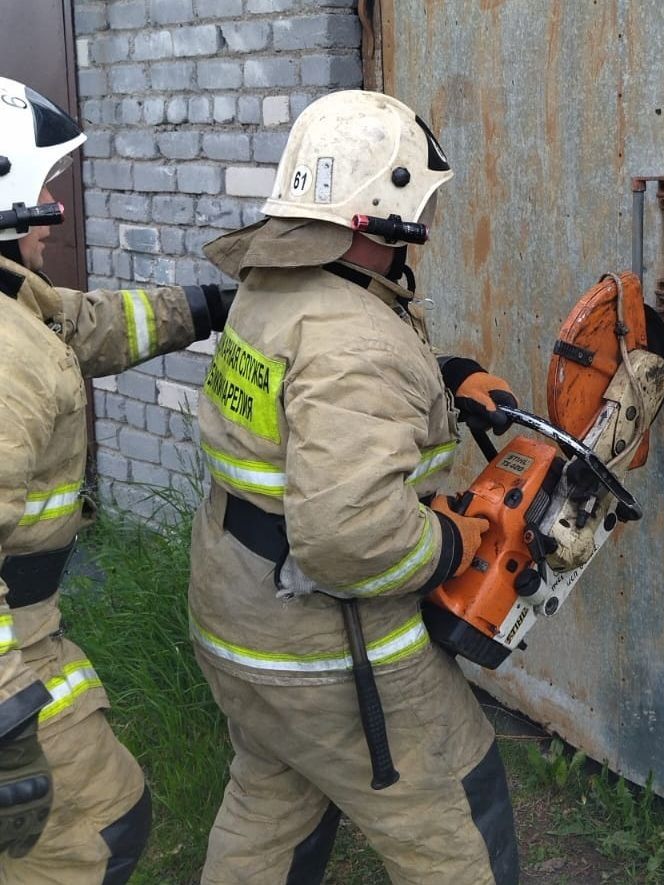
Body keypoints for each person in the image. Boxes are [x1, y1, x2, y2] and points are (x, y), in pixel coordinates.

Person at [188, 90, 520, 884]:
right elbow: (348, 536)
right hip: (329, 651)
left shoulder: (273, 292)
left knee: (269, 807)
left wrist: (447, 380)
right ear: (387, 210)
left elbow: (306, 410)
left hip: (239, 620)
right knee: (458, 814)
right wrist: (449, 541)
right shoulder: (358, 342)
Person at [0, 77, 233, 883]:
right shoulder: (4, 358)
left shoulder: (16, 310)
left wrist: (214, 306)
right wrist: (8, 723)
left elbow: (85, 324)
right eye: (47, 185)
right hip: (9, 655)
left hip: (29, 627)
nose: (56, 205)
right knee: (97, 828)